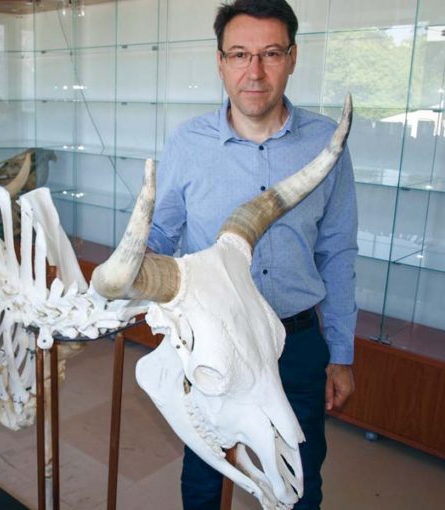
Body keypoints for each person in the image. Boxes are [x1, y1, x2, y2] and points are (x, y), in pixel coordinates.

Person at [145, 1, 357, 509]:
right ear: (220, 61)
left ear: (293, 57)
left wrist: (343, 354)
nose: (254, 72)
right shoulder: (187, 143)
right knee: (203, 475)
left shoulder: (327, 142)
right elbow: (160, 235)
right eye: (239, 54)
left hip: (298, 343)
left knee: (299, 479)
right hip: (216, 347)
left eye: (270, 54)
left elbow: (338, 251)